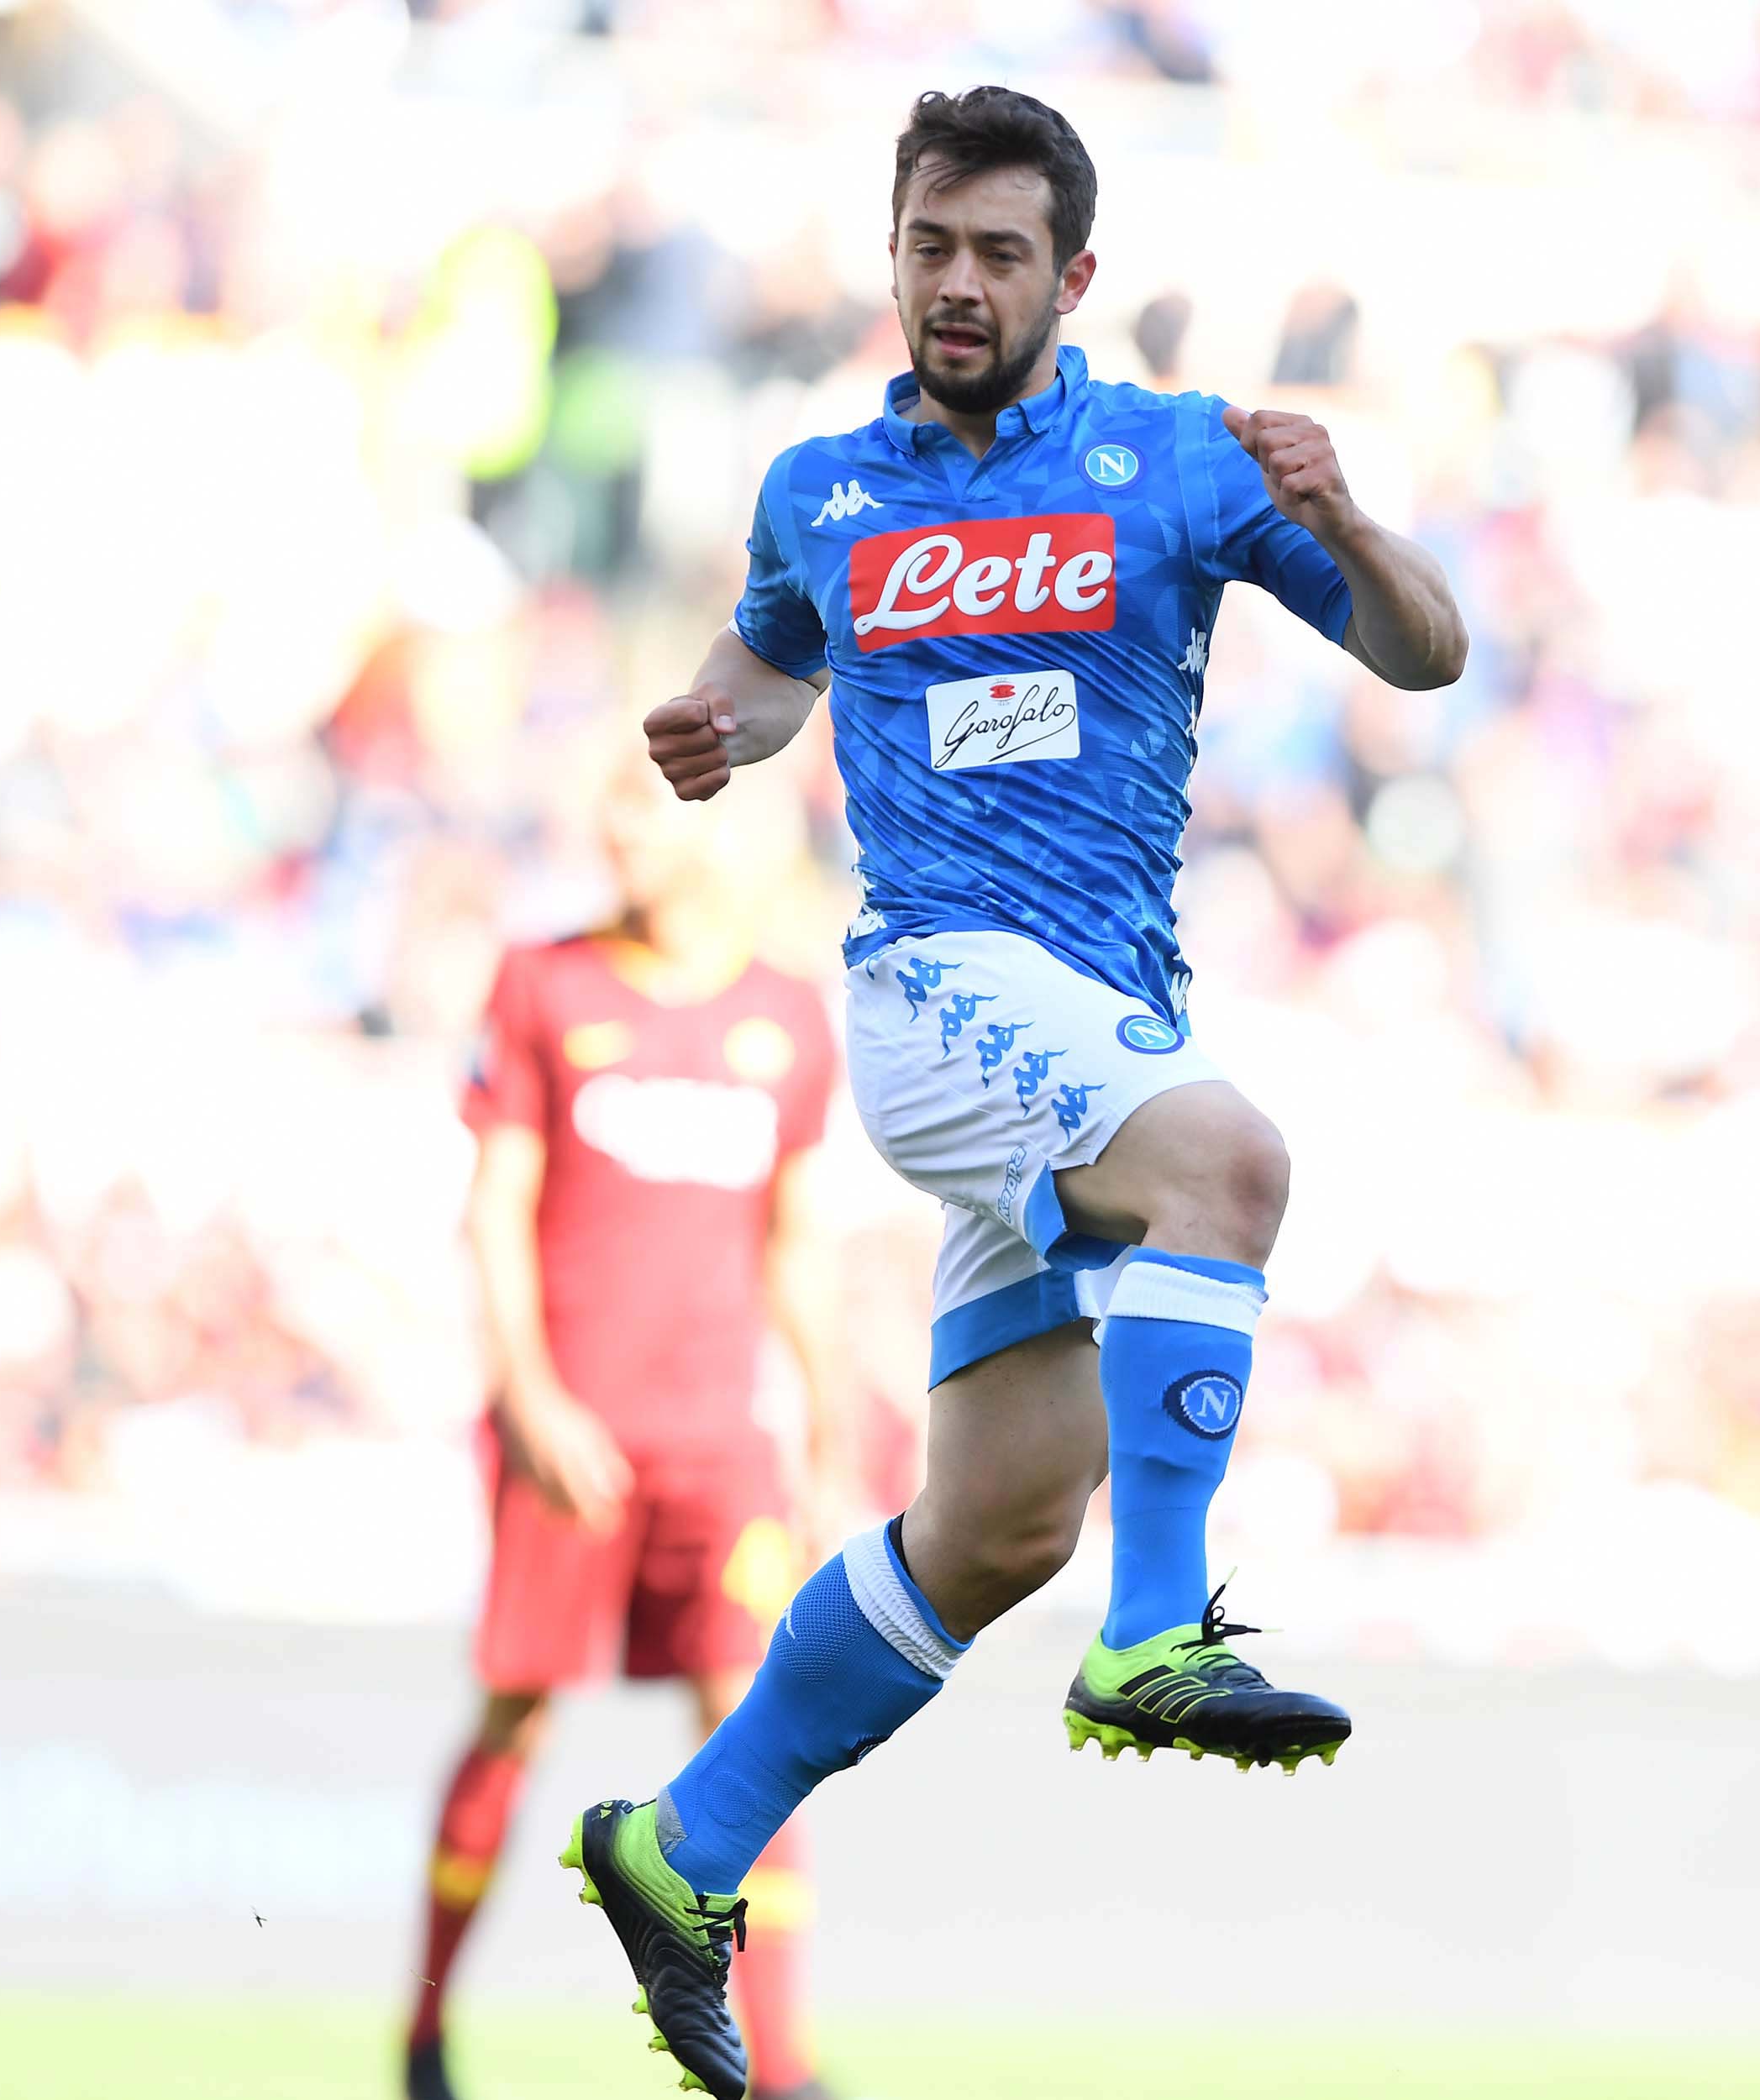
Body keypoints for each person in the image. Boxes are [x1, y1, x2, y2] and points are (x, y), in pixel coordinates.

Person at [562, 85, 1466, 2099]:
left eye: (994, 255)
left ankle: (681, 1838)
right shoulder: (823, 483)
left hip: (1082, 1018)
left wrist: (1344, 521)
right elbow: (773, 660)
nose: (954, 285)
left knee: (989, 1525)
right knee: (1228, 1160)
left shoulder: (1178, 460)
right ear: (890, 257)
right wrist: (724, 722)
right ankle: (1162, 1632)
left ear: (1073, 278)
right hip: (937, 994)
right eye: (925, 248)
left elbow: (1428, 651)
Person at [412, 758, 849, 2100]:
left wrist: (828, 1426)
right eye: (604, 799)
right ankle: (425, 2034)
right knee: (517, 1714)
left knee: (758, 1722)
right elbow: (493, 1209)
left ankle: (782, 2070)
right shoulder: (544, 983)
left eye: (640, 802)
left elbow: (793, 1242)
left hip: (720, 1446)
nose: (611, 826)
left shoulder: (788, 1016)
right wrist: (531, 1395)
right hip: (571, 1441)